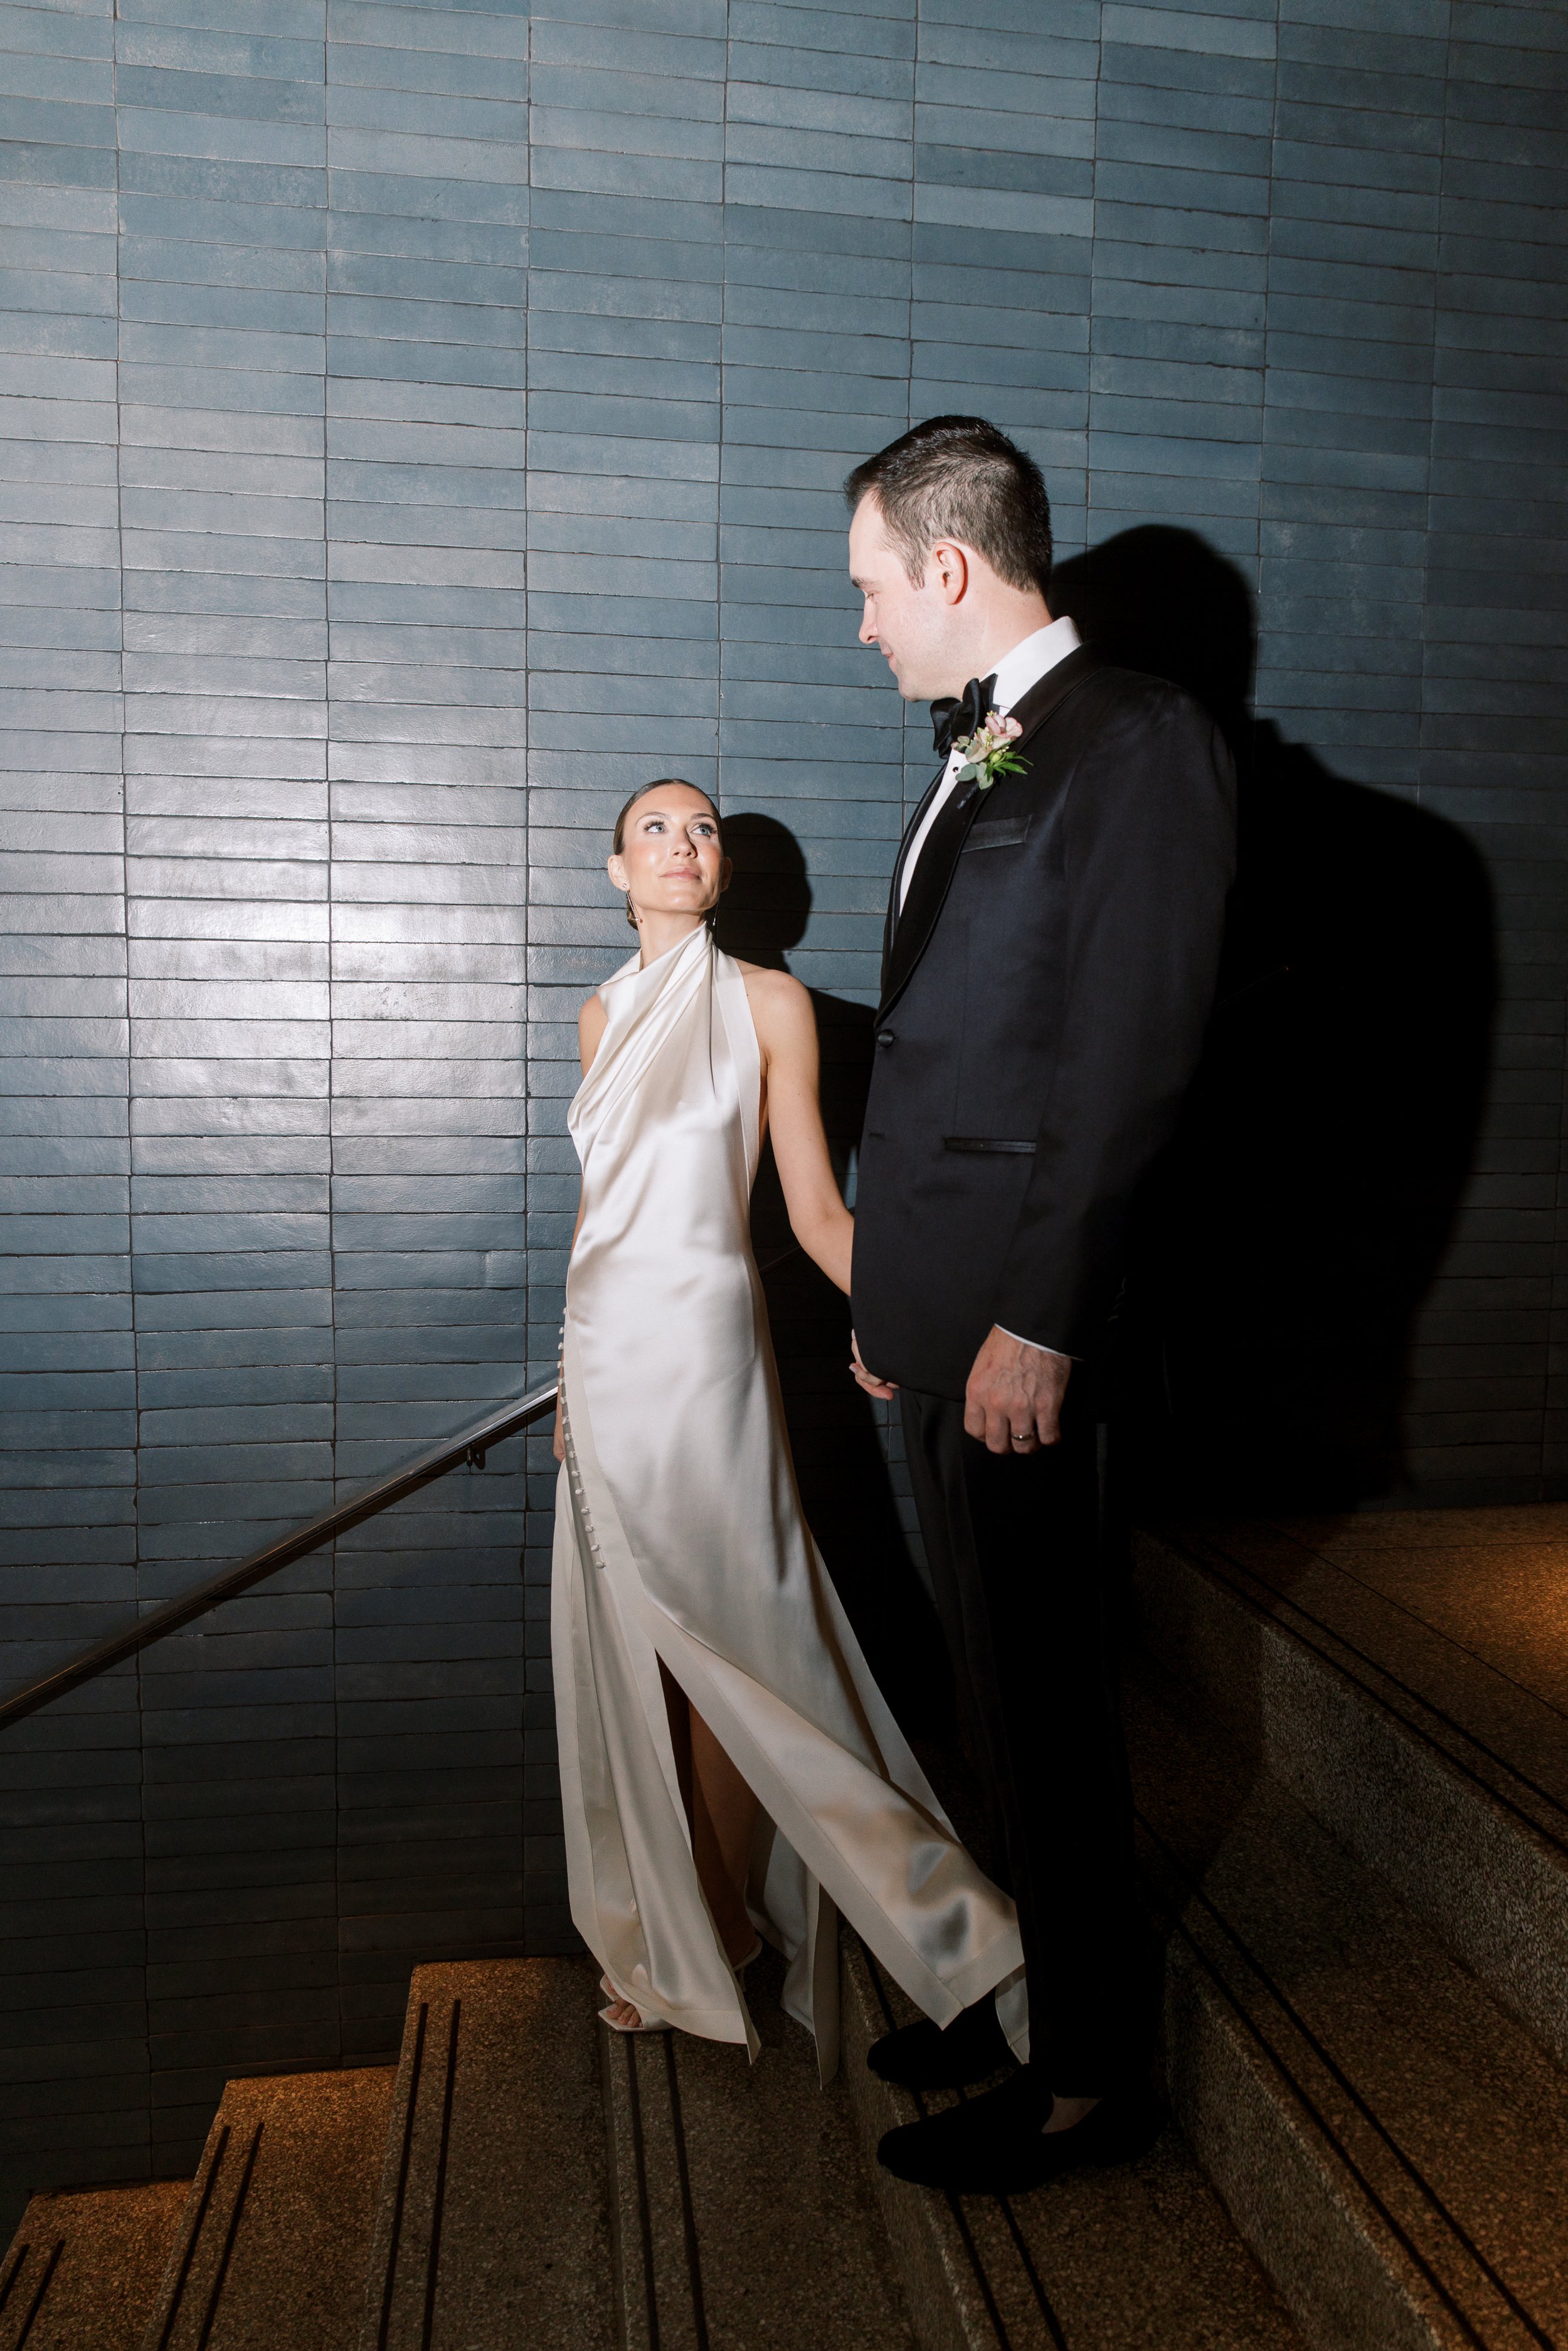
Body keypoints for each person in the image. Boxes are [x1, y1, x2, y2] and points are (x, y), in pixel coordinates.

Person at [845, 417, 1236, 2190]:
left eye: (871, 586)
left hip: (1026, 1329)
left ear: (946, 566)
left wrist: (1041, 1318)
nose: (863, 622)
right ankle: (1021, 1990)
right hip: (939, 1311)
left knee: (1049, 1705)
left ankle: (1086, 2078)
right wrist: (892, 1294)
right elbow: (944, 1046)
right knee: (985, 1690)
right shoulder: (991, 738)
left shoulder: (1135, 738)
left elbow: (1126, 1058)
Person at [550, 776, 1022, 2071]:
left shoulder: (769, 1004)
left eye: (702, 829)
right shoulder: (598, 1013)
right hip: (604, 1366)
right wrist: (565, 1374)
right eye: (654, 829)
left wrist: (909, 1320)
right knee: (648, 1656)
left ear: (723, 870)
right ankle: (707, 1919)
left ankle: (918, 1925)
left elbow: (815, 1210)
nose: (682, 844)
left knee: (743, 1650)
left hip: (706, 1360)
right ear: (617, 871)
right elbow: (598, 1217)